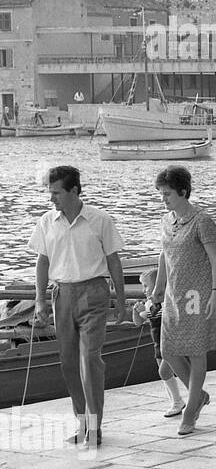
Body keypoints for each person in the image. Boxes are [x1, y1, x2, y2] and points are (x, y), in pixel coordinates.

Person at [28, 165, 130, 448]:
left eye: (57, 193)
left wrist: (120, 301)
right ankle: (82, 423)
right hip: (61, 294)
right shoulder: (47, 222)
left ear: (74, 191)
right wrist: (39, 301)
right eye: (50, 193)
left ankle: (95, 428)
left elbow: (113, 261)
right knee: (69, 363)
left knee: (89, 360)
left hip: (94, 292)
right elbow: (42, 261)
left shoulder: (100, 220)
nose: (52, 199)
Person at [147, 165, 216, 436]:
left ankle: (190, 412)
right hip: (173, 296)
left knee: (195, 352)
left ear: (183, 191)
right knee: (168, 351)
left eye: (167, 193)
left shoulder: (202, 221)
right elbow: (164, 254)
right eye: (161, 193)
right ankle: (198, 395)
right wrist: (158, 287)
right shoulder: (166, 221)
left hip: (198, 295)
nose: (163, 198)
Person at [131, 269, 187, 417]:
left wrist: (146, 310)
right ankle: (175, 401)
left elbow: (157, 315)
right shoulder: (150, 303)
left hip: (170, 341)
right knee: (165, 374)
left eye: (146, 286)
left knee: (164, 372)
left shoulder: (165, 302)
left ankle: (179, 401)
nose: (144, 290)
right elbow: (139, 322)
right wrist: (136, 311)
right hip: (158, 342)